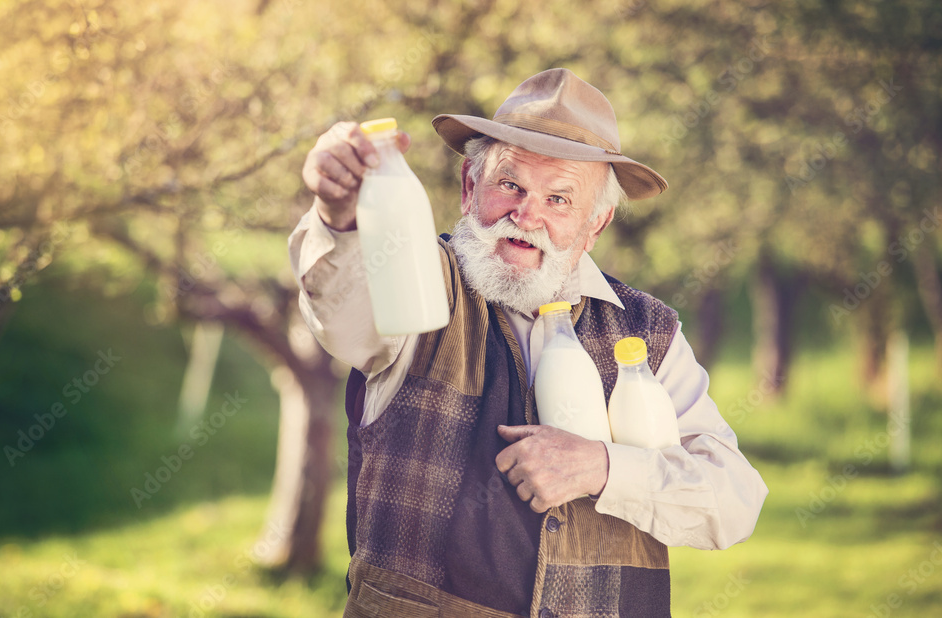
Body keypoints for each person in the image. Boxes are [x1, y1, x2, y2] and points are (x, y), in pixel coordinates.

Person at [289, 69, 768, 618]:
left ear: (596, 224)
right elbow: (343, 311)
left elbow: (733, 501)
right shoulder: (419, 283)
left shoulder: (648, 330)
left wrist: (602, 468)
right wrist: (339, 216)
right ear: (469, 187)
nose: (526, 216)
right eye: (510, 186)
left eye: (559, 199)